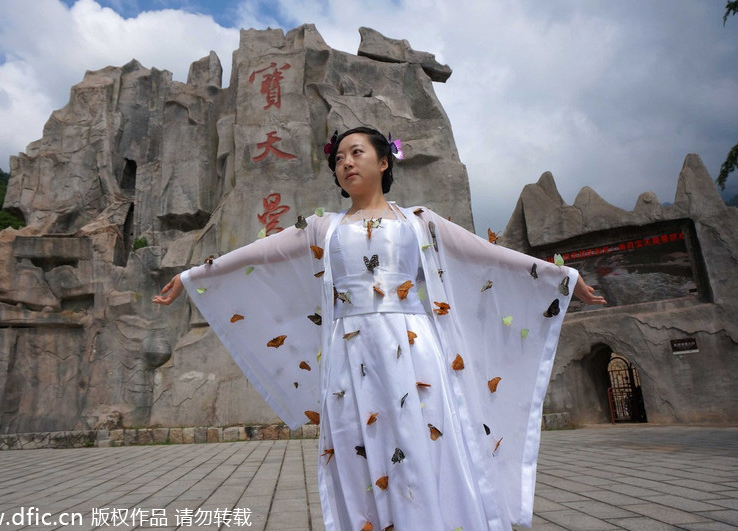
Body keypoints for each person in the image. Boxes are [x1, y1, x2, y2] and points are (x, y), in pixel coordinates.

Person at [154, 127, 605, 530]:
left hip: (414, 348)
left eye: (356, 153)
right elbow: (260, 253)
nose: (345, 163)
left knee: (423, 440)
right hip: (350, 353)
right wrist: (194, 276)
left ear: (384, 161)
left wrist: (560, 277)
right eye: (339, 159)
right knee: (358, 445)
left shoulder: (419, 221)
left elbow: (484, 255)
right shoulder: (322, 229)